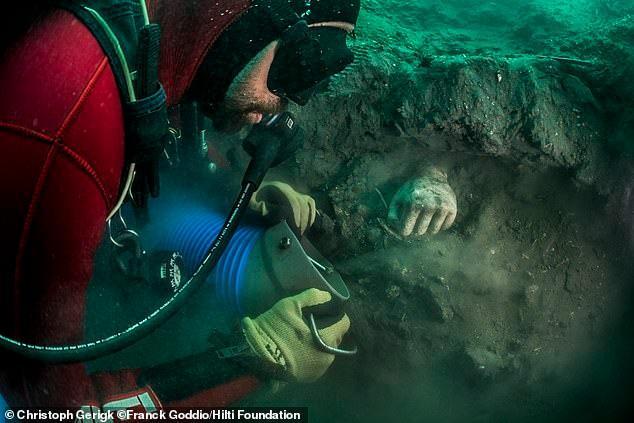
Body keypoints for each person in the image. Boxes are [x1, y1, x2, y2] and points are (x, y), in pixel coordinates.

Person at [0, 0, 360, 410]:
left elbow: (166, 166)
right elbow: (50, 412)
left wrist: (232, 196)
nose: (280, 108)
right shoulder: (68, 127)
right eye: (297, 67)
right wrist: (253, 361)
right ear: (252, 20)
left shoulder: (156, 43)